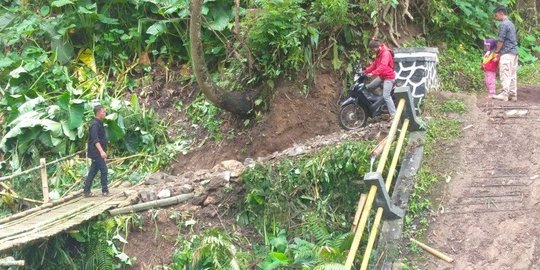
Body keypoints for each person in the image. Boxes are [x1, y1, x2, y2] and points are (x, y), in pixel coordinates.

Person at [363, 39, 396, 118]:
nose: (372, 51)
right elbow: (374, 65)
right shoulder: (379, 53)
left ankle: (394, 114)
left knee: (386, 96)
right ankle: (379, 101)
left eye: (372, 49)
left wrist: (373, 73)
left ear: (375, 47)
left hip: (389, 77)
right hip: (382, 76)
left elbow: (383, 66)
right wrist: (365, 71)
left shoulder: (385, 53)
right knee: (370, 87)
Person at [492, 6, 518, 102]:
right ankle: (513, 94)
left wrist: (497, 51)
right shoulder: (511, 24)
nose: (496, 17)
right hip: (514, 53)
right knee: (512, 74)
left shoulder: (504, 24)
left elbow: (501, 40)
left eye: (496, 15)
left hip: (507, 53)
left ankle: (504, 94)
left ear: (501, 13)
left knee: (505, 73)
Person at [83, 105, 109, 197]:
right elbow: (95, 139)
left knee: (93, 171)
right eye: (103, 112)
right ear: (98, 113)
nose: (105, 113)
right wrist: (101, 152)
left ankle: (86, 191)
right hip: (96, 152)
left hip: (97, 152)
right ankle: (105, 190)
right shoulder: (94, 124)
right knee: (104, 170)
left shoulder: (99, 122)